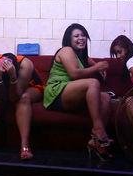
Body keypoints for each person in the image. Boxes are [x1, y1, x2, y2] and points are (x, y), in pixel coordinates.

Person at [43, 23, 114, 159]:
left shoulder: (81, 56)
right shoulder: (66, 50)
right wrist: (97, 67)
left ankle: (95, 143)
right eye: (76, 36)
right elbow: (74, 74)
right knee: (93, 83)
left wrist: (99, 68)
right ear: (69, 39)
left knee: (105, 97)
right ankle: (99, 130)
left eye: (83, 35)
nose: (81, 38)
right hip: (56, 92)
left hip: (70, 94)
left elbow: (93, 66)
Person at [0, 52, 44, 160]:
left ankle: (25, 145)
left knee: (24, 98)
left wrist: (13, 77)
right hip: (3, 85)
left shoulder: (25, 65)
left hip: (30, 87)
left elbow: (15, 97)